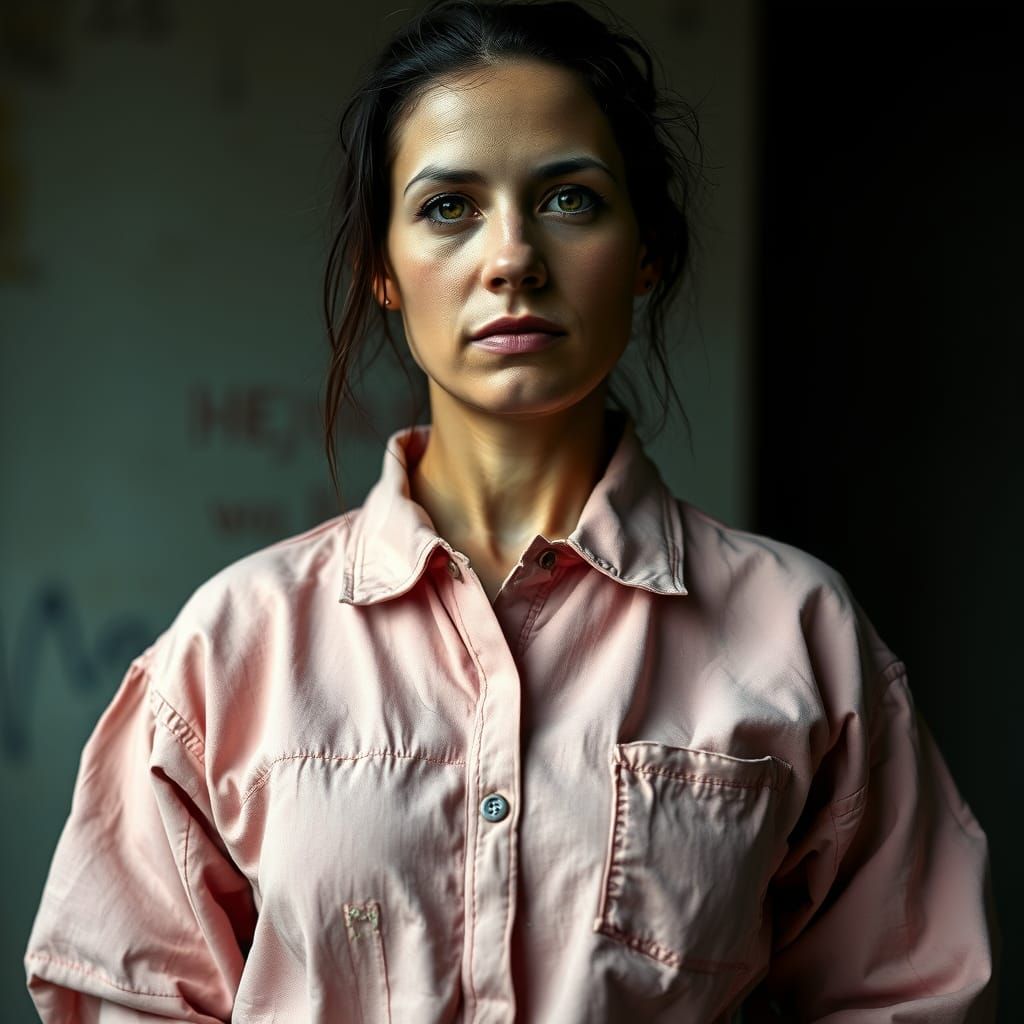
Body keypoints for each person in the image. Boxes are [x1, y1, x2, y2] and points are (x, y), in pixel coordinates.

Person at [25, 1, 998, 1021]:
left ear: (648, 250)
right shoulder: (233, 647)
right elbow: (124, 996)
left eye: (570, 199)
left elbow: (903, 992)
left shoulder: (803, 637)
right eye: (448, 207)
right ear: (382, 270)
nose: (512, 259)